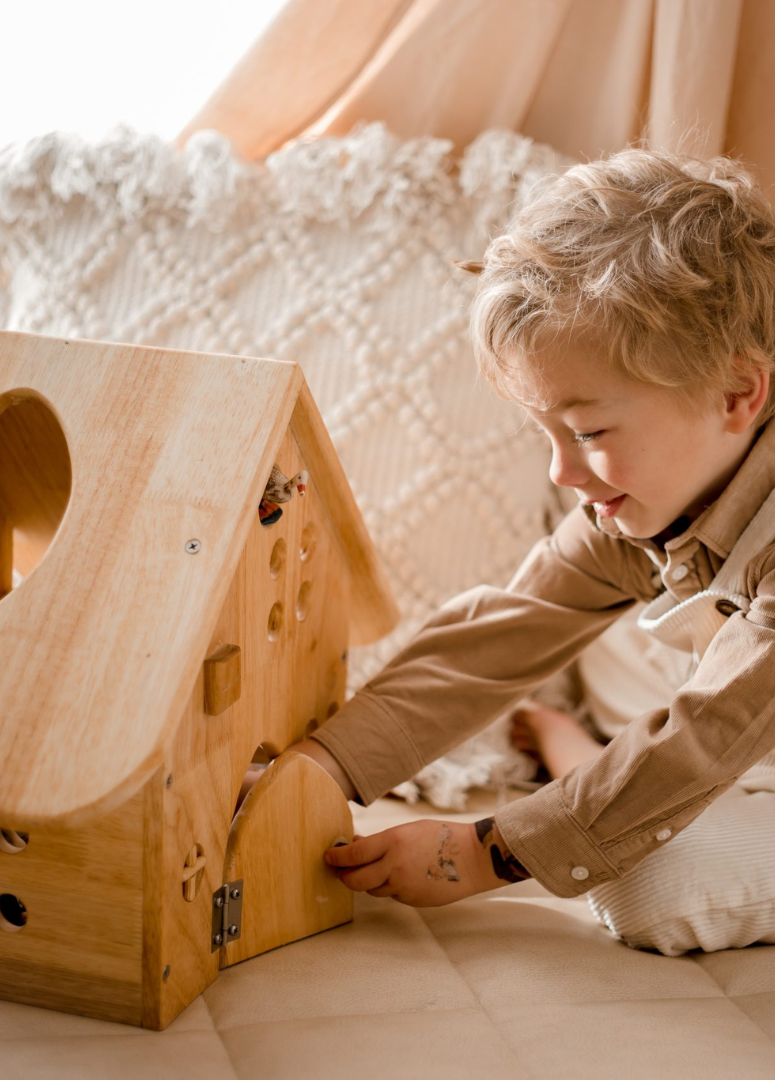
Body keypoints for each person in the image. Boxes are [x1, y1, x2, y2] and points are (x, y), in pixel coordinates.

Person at [272, 144, 775, 956]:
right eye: (544, 432)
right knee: (631, 712)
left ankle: (577, 766)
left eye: (587, 432)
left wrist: (487, 849)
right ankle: (566, 745)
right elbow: (504, 629)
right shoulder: (646, 500)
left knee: (646, 885)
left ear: (735, 394)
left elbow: (711, 728)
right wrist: (323, 766)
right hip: (741, 710)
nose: (561, 470)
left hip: (741, 721)